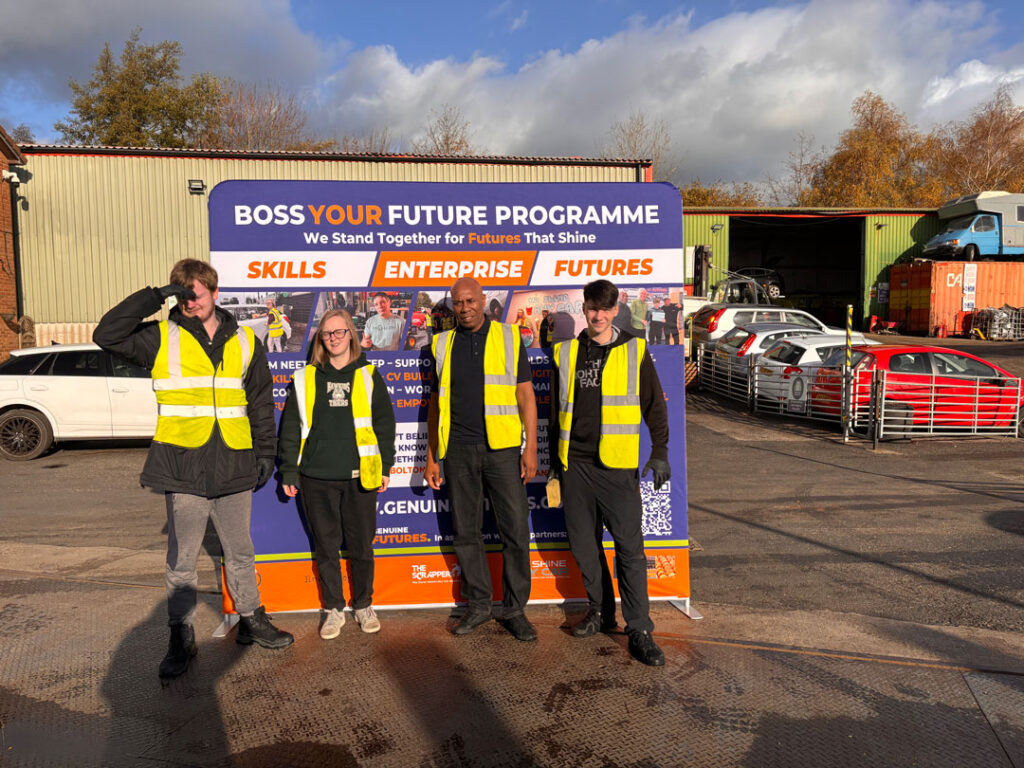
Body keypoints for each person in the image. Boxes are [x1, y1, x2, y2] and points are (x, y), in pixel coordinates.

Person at [93, 259, 293, 682]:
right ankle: (179, 637)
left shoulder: (245, 340)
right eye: (180, 293)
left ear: (214, 293)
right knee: (182, 561)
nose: (188, 301)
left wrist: (265, 453)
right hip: (182, 466)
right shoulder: (161, 337)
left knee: (240, 551)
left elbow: (259, 401)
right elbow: (106, 334)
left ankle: (252, 619)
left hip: (236, 462)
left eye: (195, 293)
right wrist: (155, 297)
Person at [549, 279, 671, 667]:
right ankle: (601, 612)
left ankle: (639, 629)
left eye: (605, 308)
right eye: (591, 308)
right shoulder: (566, 353)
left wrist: (661, 452)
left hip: (617, 468)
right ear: (583, 309)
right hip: (576, 467)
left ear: (616, 310)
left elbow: (654, 406)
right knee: (584, 547)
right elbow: (556, 413)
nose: (598, 315)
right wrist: (556, 462)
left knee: (629, 551)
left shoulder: (635, 349)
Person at [425, 277, 538, 641]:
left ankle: (515, 609)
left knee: (516, 530)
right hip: (457, 450)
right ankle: (479, 605)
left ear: (484, 301)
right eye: (458, 303)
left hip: (503, 450)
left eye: (471, 301)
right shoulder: (441, 344)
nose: (465, 308)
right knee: (466, 533)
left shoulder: (508, 336)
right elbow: (434, 405)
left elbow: (525, 395)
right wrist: (431, 456)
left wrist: (530, 448)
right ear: (452, 306)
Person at [278, 309, 396, 639]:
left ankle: (363, 605)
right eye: (327, 334)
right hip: (316, 476)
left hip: (361, 477)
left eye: (339, 332)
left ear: (351, 335)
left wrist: (385, 466)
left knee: (361, 546)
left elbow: (385, 426)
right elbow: (289, 429)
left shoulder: (369, 375)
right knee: (326, 547)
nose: (333, 339)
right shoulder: (304, 379)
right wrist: (289, 470)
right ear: (321, 340)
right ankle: (333, 608)